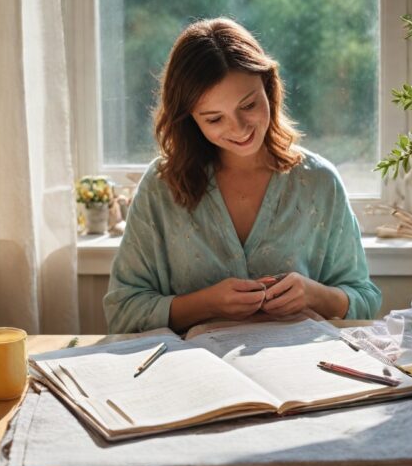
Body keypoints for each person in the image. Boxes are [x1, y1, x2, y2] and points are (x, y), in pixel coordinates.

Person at [103, 18, 381, 333]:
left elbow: (365, 299)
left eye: (248, 105)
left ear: (269, 87)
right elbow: (122, 311)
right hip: (194, 375)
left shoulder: (320, 182)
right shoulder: (160, 186)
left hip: (299, 374)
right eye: (214, 119)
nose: (238, 129)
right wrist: (206, 304)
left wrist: (316, 295)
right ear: (190, 120)